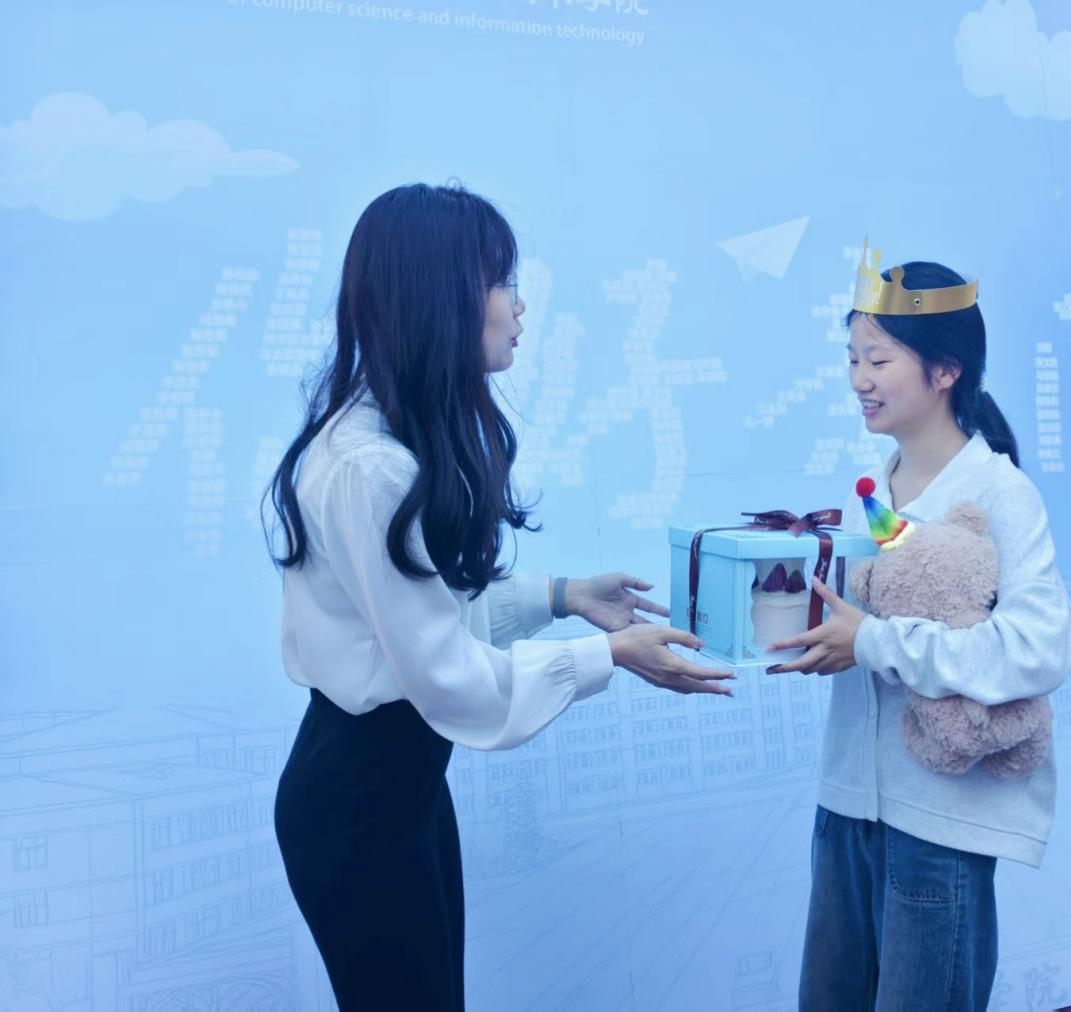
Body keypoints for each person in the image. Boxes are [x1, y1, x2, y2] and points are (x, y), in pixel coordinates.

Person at [262, 182, 732, 1010]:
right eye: (500, 281)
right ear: (438, 296)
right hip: (360, 798)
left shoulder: (383, 442)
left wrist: (562, 595)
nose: (519, 306)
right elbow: (445, 676)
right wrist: (610, 654)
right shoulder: (371, 468)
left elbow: (423, 616)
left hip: (397, 787)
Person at [768, 244, 1071, 1011]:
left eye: (878, 360)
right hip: (846, 806)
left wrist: (871, 641)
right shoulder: (872, 493)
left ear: (945, 371)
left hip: (942, 822)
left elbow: (1038, 648)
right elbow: (871, 630)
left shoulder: (1000, 493)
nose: (858, 379)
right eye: (851, 359)